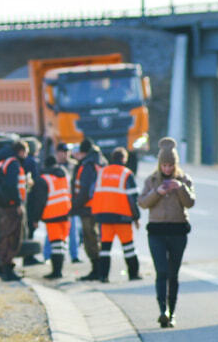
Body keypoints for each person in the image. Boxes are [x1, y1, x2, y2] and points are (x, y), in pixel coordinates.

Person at [140, 137, 195, 327]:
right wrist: (158, 192)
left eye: (170, 165)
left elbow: (190, 203)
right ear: (159, 164)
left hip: (178, 231)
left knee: (173, 274)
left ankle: (172, 312)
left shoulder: (184, 179)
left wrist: (180, 189)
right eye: (164, 165)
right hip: (156, 232)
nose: (167, 169)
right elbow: (143, 203)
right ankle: (162, 309)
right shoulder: (152, 180)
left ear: (175, 164)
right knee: (161, 271)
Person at [88, 146, 141, 283]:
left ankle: (103, 276)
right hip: (122, 216)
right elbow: (132, 198)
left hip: (104, 217)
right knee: (128, 247)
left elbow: (92, 191)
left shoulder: (103, 172)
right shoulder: (126, 173)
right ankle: (133, 274)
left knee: (105, 249)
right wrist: (136, 217)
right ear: (124, 159)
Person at [31, 154, 72, 279]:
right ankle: (59, 270)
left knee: (55, 244)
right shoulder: (64, 175)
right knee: (61, 244)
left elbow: (39, 201)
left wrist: (35, 218)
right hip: (66, 212)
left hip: (52, 214)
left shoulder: (44, 179)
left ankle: (57, 272)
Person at [0, 140, 28, 282]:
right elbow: (12, 186)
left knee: (4, 236)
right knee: (12, 236)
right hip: (11, 207)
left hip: (3, 205)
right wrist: (18, 204)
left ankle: (3, 267)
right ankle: (7, 268)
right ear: (21, 151)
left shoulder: (3, 162)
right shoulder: (13, 164)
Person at [72, 139, 105, 281]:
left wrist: (74, 206)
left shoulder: (87, 166)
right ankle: (99, 269)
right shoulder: (101, 162)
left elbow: (84, 190)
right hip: (99, 206)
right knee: (96, 237)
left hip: (88, 208)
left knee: (90, 238)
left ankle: (96, 269)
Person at [21, 139, 43, 265]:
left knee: (27, 227)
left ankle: (27, 256)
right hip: (31, 198)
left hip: (24, 198)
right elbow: (35, 182)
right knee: (30, 227)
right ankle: (28, 257)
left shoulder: (22, 161)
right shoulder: (32, 162)